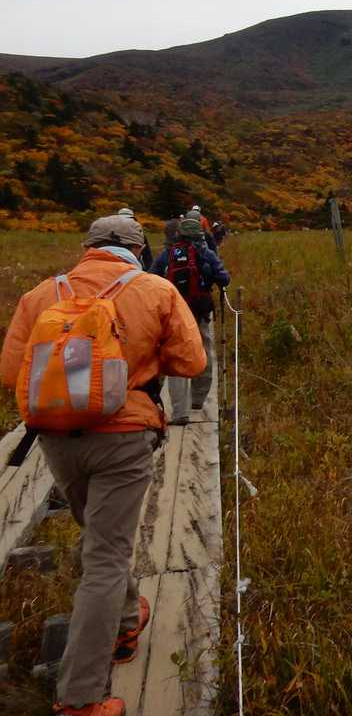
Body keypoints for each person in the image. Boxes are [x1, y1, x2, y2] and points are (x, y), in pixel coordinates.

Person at [1, 213, 206, 716]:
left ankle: (124, 620)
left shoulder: (41, 295)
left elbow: (10, 371)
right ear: (139, 248)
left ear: (87, 246)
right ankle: (81, 697)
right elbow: (192, 363)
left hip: (56, 437)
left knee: (99, 538)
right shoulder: (154, 290)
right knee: (106, 558)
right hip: (124, 436)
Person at [150, 216, 229, 420]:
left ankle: (176, 409)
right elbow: (224, 278)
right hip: (200, 310)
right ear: (199, 234)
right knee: (203, 350)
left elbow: (151, 276)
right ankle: (198, 399)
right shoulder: (206, 253)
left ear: (180, 234)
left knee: (173, 354)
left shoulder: (168, 253)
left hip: (173, 311)